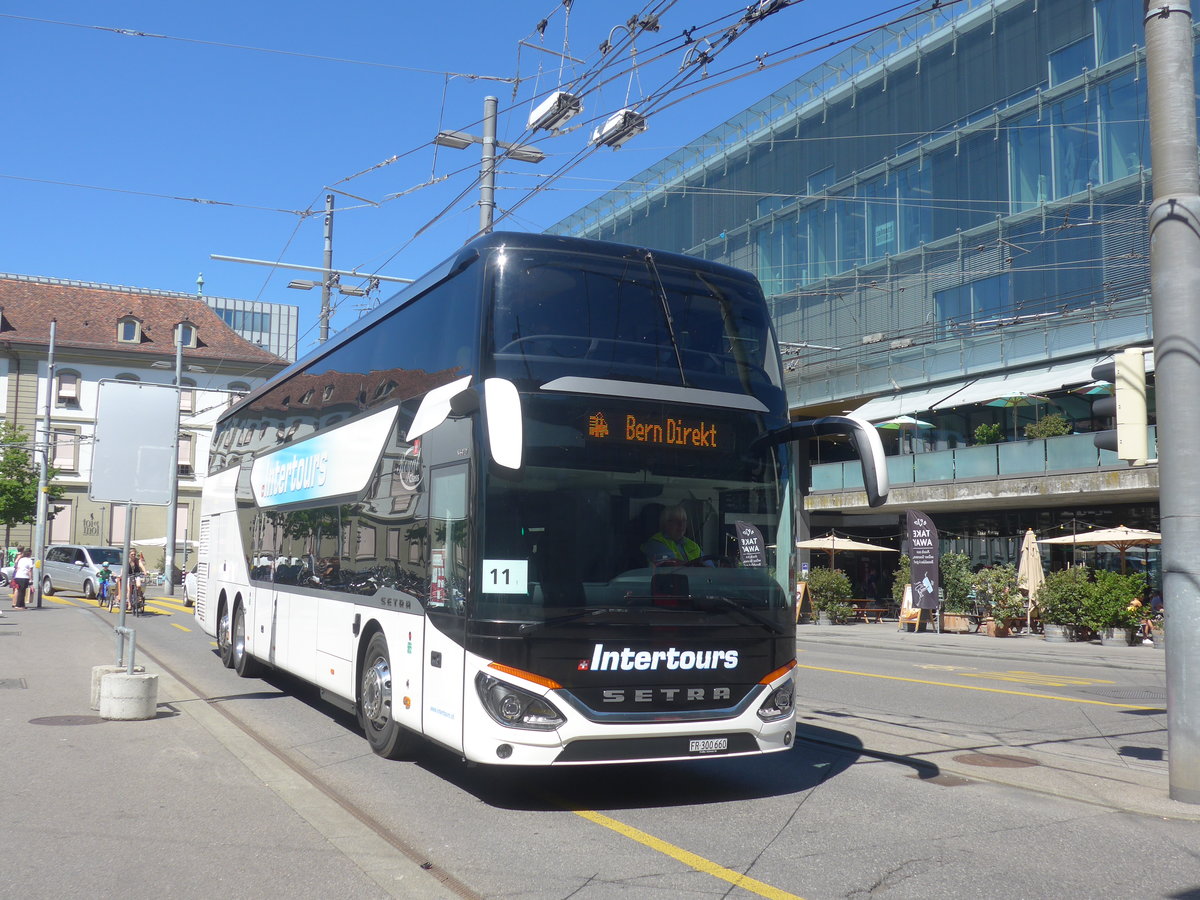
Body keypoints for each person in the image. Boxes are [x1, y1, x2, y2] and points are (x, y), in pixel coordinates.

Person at [642, 505, 707, 567]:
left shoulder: (692, 545)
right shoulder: (655, 543)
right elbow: (671, 565)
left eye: (684, 520)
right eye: (676, 520)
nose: (681, 524)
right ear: (665, 523)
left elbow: (710, 567)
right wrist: (700, 567)